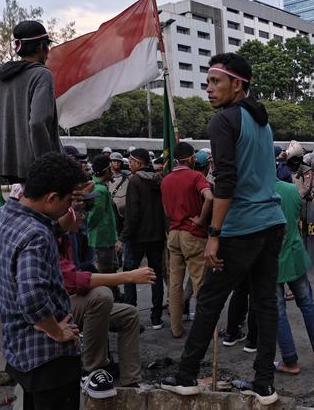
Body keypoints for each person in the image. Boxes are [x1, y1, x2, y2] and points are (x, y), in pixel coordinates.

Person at [162, 53, 286, 405]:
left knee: (209, 302)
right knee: (265, 304)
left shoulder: (224, 121)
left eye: (216, 81)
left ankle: (186, 376)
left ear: (238, 84)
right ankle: (265, 385)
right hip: (272, 222)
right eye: (207, 82)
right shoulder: (262, 121)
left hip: (243, 227)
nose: (209, 89)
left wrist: (214, 235)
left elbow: (226, 181)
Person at [0, 152, 88, 410]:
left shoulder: (3, 216)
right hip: (49, 357)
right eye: (66, 200)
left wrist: (69, 214)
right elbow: (32, 299)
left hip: (19, 349)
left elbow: (50, 227)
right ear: (52, 197)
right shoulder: (36, 235)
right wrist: (56, 330)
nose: (69, 205)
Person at [59, 237, 154, 398]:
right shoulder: (46, 235)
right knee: (101, 296)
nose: (81, 217)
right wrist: (129, 276)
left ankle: (130, 381)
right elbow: (73, 280)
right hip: (57, 309)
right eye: (78, 213)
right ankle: (92, 371)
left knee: (129, 314)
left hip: (72, 300)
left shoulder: (68, 238)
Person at [0, 21, 63, 183]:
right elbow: (37, 123)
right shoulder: (41, 75)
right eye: (47, 46)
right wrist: (46, 165)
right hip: (39, 170)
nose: (48, 52)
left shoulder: (0, 77)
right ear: (39, 47)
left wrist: (4, 153)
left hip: (8, 167)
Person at [273, 176, 314, 375]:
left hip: (270, 260)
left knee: (278, 311)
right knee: (307, 303)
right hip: (294, 255)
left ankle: (290, 361)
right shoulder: (292, 190)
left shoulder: (256, 193)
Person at [160, 142, 213, 339]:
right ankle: (203, 330)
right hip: (193, 233)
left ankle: (176, 327)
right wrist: (200, 219)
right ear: (191, 158)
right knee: (200, 283)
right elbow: (209, 197)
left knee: (175, 284)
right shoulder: (196, 176)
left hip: (173, 234)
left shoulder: (166, 180)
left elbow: (166, 210)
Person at [119, 148, 166, 330]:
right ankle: (156, 318)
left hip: (137, 237)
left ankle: (130, 316)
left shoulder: (135, 181)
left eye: (131, 162)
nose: (129, 165)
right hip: (156, 235)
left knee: (130, 274)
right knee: (156, 275)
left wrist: (123, 237)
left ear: (139, 163)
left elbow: (133, 214)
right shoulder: (160, 180)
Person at [86, 155, 122, 301]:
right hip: (102, 239)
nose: (112, 172)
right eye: (110, 169)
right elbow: (95, 215)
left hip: (103, 238)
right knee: (107, 275)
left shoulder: (96, 186)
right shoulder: (100, 190)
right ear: (105, 171)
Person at [107, 152, 129, 234]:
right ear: (110, 162)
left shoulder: (127, 178)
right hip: (111, 210)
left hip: (125, 211)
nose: (116, 163)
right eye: (114, 161)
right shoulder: (106, 178)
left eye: (118, 161)